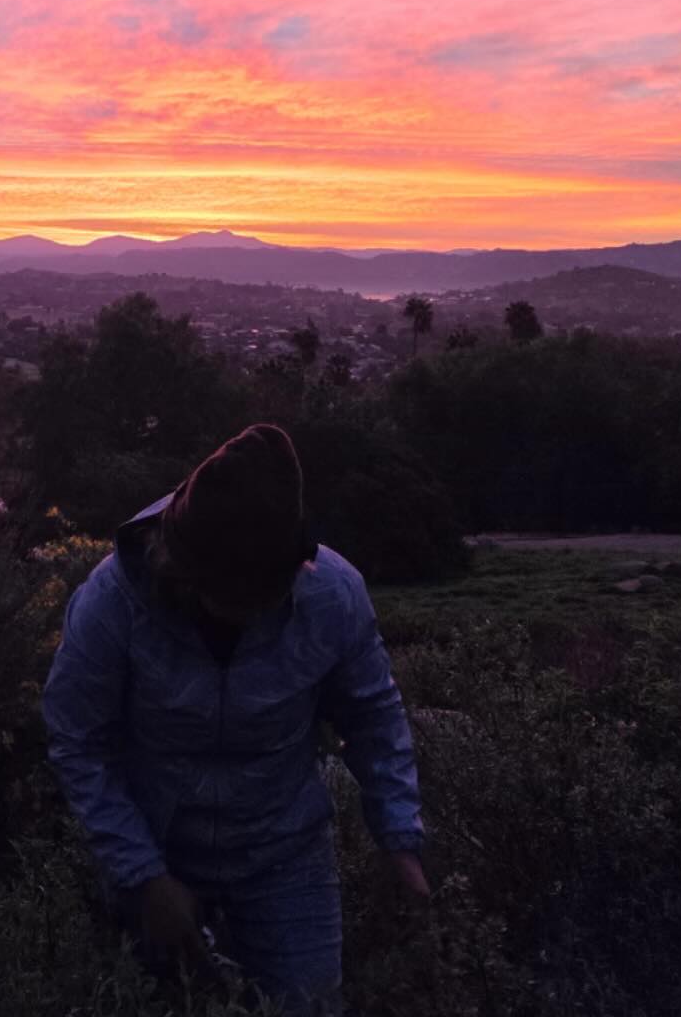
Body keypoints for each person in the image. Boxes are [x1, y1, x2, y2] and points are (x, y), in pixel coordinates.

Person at [42, 424, 429, 1015]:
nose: (250, 610)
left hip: (285, 856)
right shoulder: (111, 605)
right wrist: (141, 873)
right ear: (183, 569)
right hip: (158, 850)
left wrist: (399, 841)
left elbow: (374, 714)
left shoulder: (335, 596)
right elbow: (78, 741)